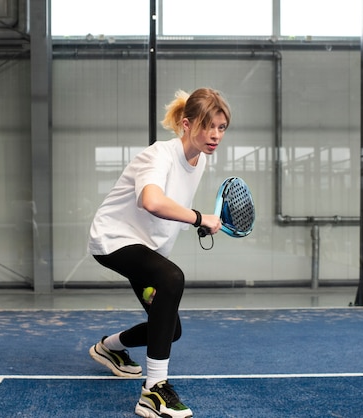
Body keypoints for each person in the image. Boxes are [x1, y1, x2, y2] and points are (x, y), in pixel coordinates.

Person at [87, 87, 231, 418]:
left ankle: (109, 348)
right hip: (114, 238)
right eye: (208, 125)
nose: (215, 135)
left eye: (221, 127)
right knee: (171, 277)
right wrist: (198, 217)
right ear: (186, 123)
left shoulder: (201, 160)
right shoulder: (159, 155)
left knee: (169, 329)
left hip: (146, 246)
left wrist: (196, 221)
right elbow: (151, 201)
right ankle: (153, 391)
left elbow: (173, 203)